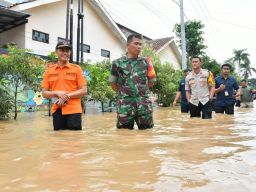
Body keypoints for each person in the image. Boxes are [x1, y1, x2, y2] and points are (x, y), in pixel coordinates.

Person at [109, 34, 156, 130]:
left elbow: (152, 81)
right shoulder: (117, 63)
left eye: (140, 44)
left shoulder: (147, 62)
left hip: (144, 106)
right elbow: (113, 84)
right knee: (124, 136)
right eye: (136, 43)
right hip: (125, 107)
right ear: (127, 45)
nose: (139, 46)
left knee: (147, 134)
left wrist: (141, 93)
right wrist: (124, 95)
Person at [42, 41, 87, 131]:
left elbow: (84, 90)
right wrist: (56, 93)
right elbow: (44, 93)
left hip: (74, 110)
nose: (65, 53)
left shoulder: (77, 69)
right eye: (62, 50)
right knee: (58, 140)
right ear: (56, 52)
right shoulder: (49, 71)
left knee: (75, 140)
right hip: (57, 110)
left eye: (68, 50)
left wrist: (67, 96)